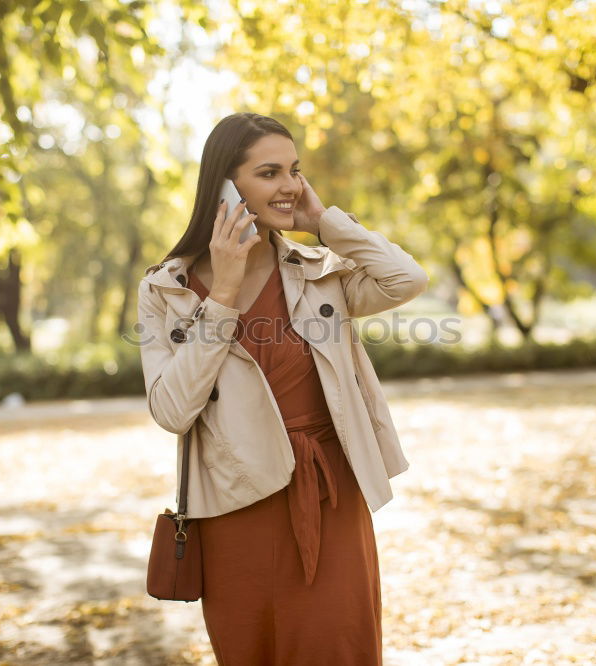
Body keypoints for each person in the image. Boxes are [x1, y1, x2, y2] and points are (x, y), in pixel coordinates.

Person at [136, 112, 428, 665]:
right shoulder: (165, 290)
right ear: (225, 183)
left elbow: (407, 280)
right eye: (270, 172)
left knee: (340, 648)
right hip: (234, 501)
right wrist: (221, 295)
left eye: (295, 171)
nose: (291, 186)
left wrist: (325, 223)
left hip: (331, 492)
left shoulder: (317, 270)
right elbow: (172, 410)